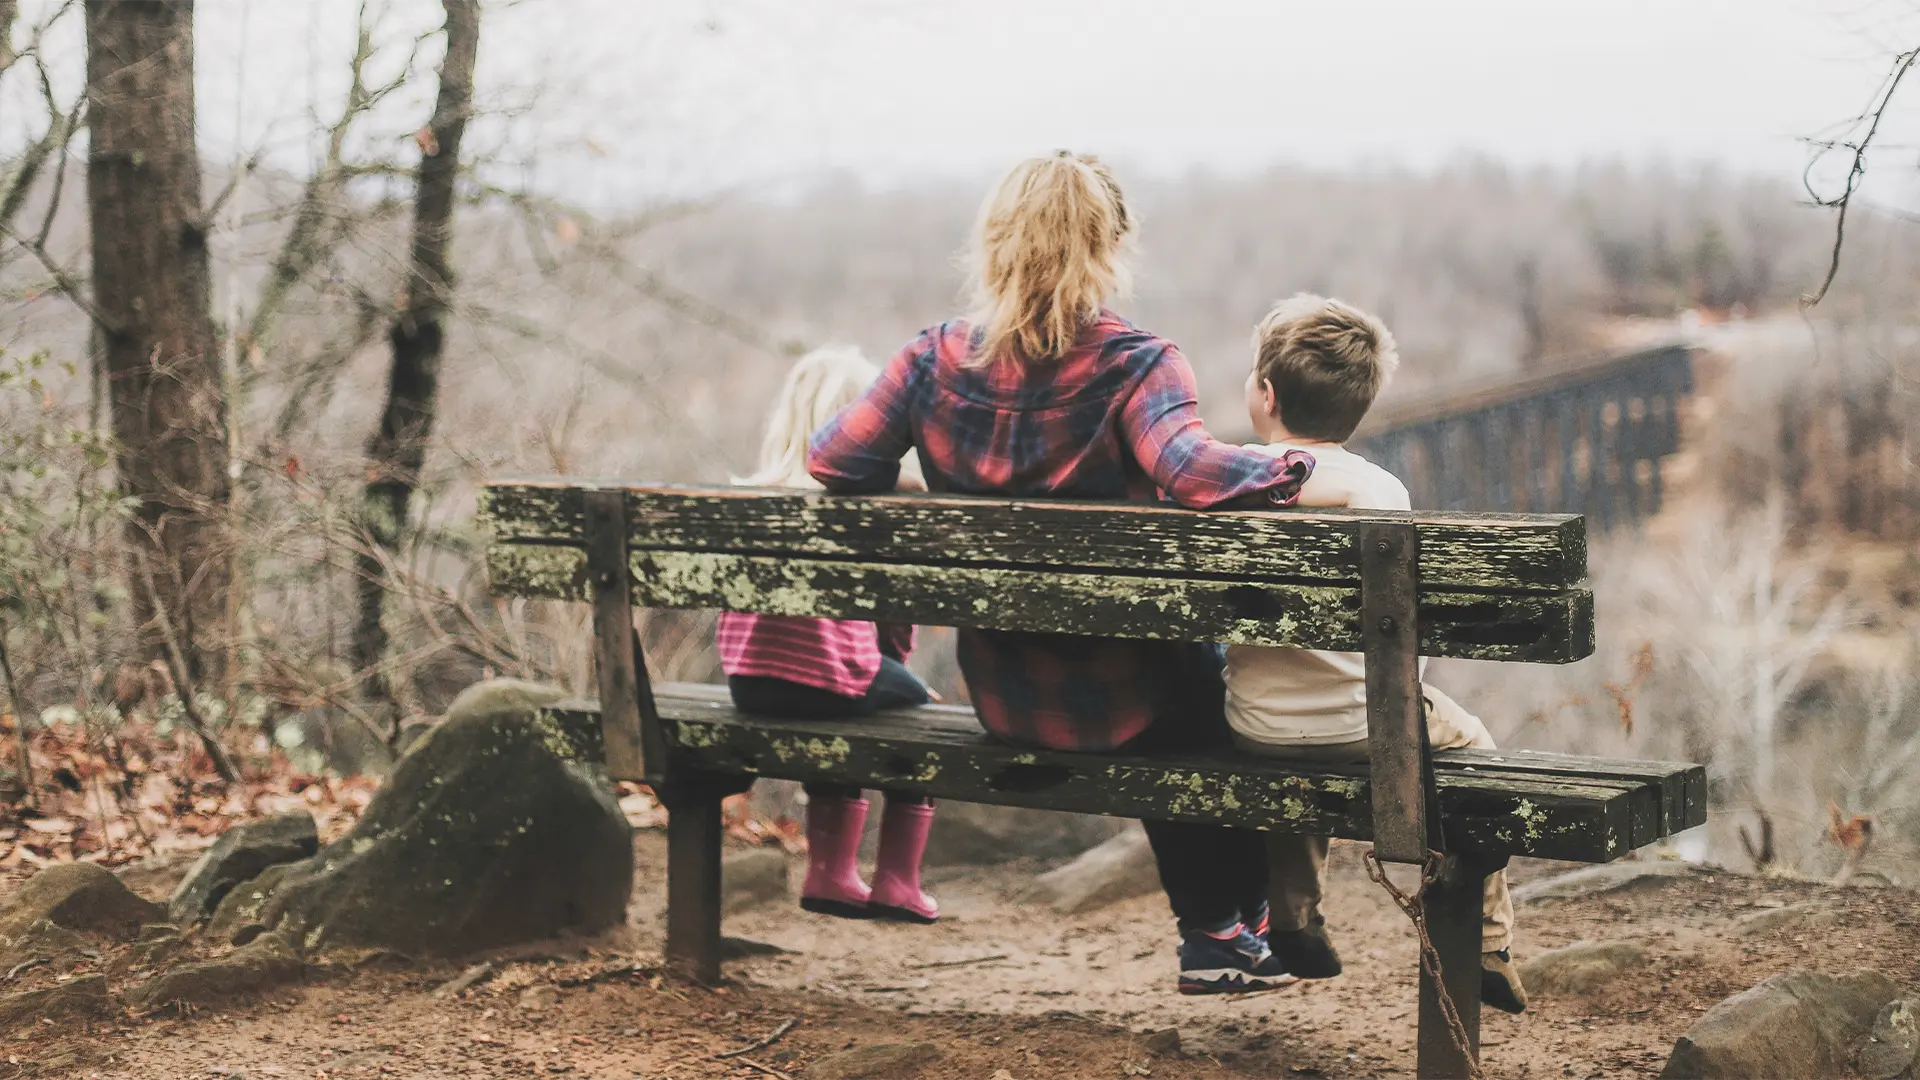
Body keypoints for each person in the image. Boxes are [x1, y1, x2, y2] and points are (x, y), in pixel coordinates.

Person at [807, 151, 1314, 993]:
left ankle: (1235, 931)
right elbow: (1191, 472)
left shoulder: (929, 361)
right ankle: (1226, 927)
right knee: (1210, 688)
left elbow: (833, 460)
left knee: (1186, 683)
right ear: (1111, 245)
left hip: (1006, 697)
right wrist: (1293, 467)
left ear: (995, 243)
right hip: (1134, 702)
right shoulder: (1137, 364)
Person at [1223, 293, 1528, 1013]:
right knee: (1475, 748)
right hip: (1371, 729)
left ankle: (1293, 918)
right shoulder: (1382, 492)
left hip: (1255, 727)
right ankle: (1489, 940)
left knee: (1295, 738)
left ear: (1265, 395)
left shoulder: (1227, 481)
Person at [718, 346, 940, 924]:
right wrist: (900, 673)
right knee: (918, 713)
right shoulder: (866, 503)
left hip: (749, 684)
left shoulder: (750, 498)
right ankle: (895, 882)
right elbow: (892, 621)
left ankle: (831, 873)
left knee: (842, 695)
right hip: (825, 680)